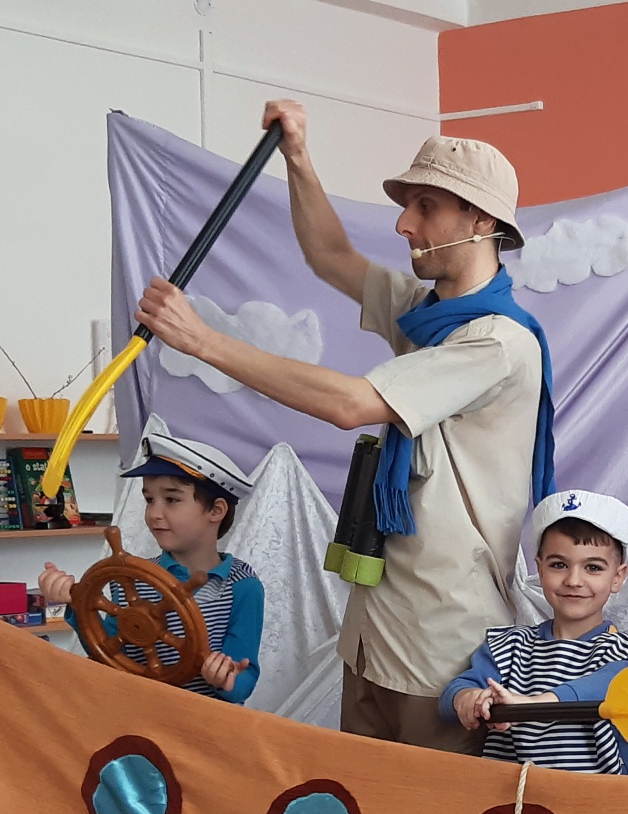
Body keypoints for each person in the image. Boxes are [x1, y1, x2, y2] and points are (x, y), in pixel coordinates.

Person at [131, 99, 553, 754]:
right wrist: (298, 155)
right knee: (365, 807)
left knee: (427, 812)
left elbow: (350, 404)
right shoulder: (424, 314)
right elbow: (330, 255)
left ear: (480, 219)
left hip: (440, 647)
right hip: (374, 631)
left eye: (425, 206)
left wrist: (204, 341)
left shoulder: (497, 343)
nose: (404, 223)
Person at [41, 420, 264, 705]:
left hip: (206, 722)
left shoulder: (242, 587)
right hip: (139, 715)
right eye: (149, 500)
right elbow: (109, 653)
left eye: (171, 500)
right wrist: (76, 604)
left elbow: (244, 675)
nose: (154, 513)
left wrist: (227, 678)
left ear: (216, 510)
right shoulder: (132, 578)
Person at [441, 490, 628, 774]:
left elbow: (610, 686)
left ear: (617, 577)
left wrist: (529, 705)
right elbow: (453, 693)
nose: (574, 580)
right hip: (513, 793)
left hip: (600, 795)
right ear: (540, 570)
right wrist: (469, 698)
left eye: (593, 567)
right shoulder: (509, 647)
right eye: (559, 565)